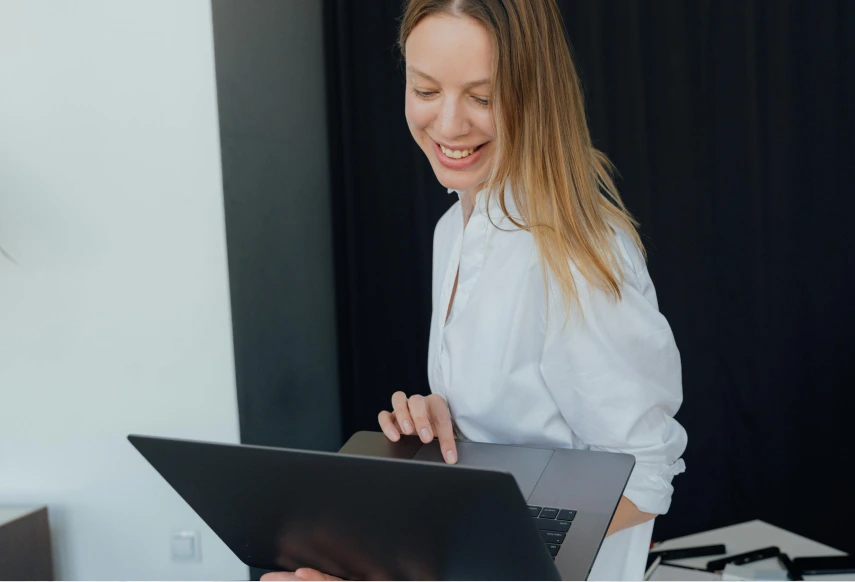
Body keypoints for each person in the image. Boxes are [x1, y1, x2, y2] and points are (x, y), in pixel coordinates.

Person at [263, 0, 686, 579]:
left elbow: (642, 476)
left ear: (534, 92)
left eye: (483, 98)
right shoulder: (453, 229)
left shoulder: (575, 251)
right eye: (426, 90)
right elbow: (517, 428)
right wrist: (446, 426)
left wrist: (451, 541)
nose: (450, 124)